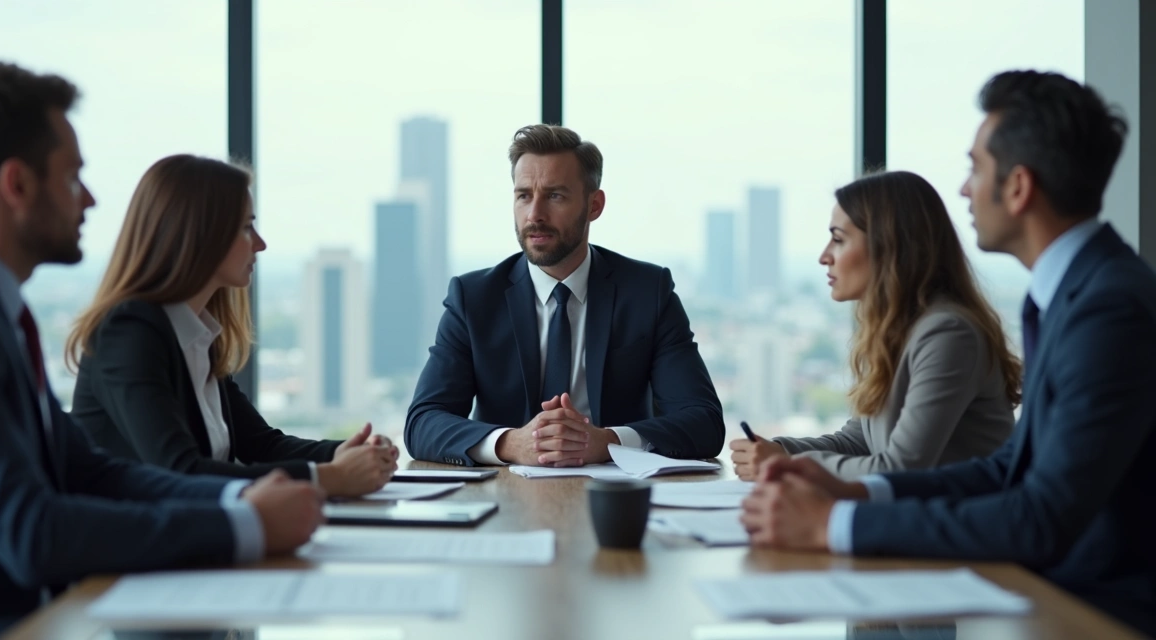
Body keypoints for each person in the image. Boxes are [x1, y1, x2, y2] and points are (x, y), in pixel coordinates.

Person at [740, 70, 1156, 636]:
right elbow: (1011, 468)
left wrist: (837, 525)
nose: (963, 190)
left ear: (1018, 188)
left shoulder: (1108, 307)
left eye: (974, 168)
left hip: (1095, 613)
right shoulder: (1073, 292)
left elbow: (1041, 516)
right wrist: (856, 489)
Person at [0, 62, 324, 640]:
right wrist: (241, 524)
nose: (91, 199)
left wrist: (243, 498)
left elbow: (93, 472)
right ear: (17, 185)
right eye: (73, 178)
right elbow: (31, 531)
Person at [67, 154, 397, 498]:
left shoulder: (194, 333)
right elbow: (181, 471)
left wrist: (346, 454)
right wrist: (327, 477)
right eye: (245, 227)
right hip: (132, 546)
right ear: (197, 235)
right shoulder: (128, 333)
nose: (260, 243)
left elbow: (261, 445)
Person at [404, 124, 724, 467]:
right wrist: (510, 443)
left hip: (615, 502)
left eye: (555, 195)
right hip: (505, 502)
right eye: (524, 195)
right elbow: (423, 422)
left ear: (594, 206)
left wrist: (609, 441)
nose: (535, 215)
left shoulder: (647, 292)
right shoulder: (474, 299)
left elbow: (703, 422)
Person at [730, 171, 1020, 481]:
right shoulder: (891, 331)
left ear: (888, 247)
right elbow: (859, 442)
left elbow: (900, 468)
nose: (824, 256)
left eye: (838, 240)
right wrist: (779, 450)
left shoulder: (949, 335)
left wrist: (788, 463)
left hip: (961, 523)